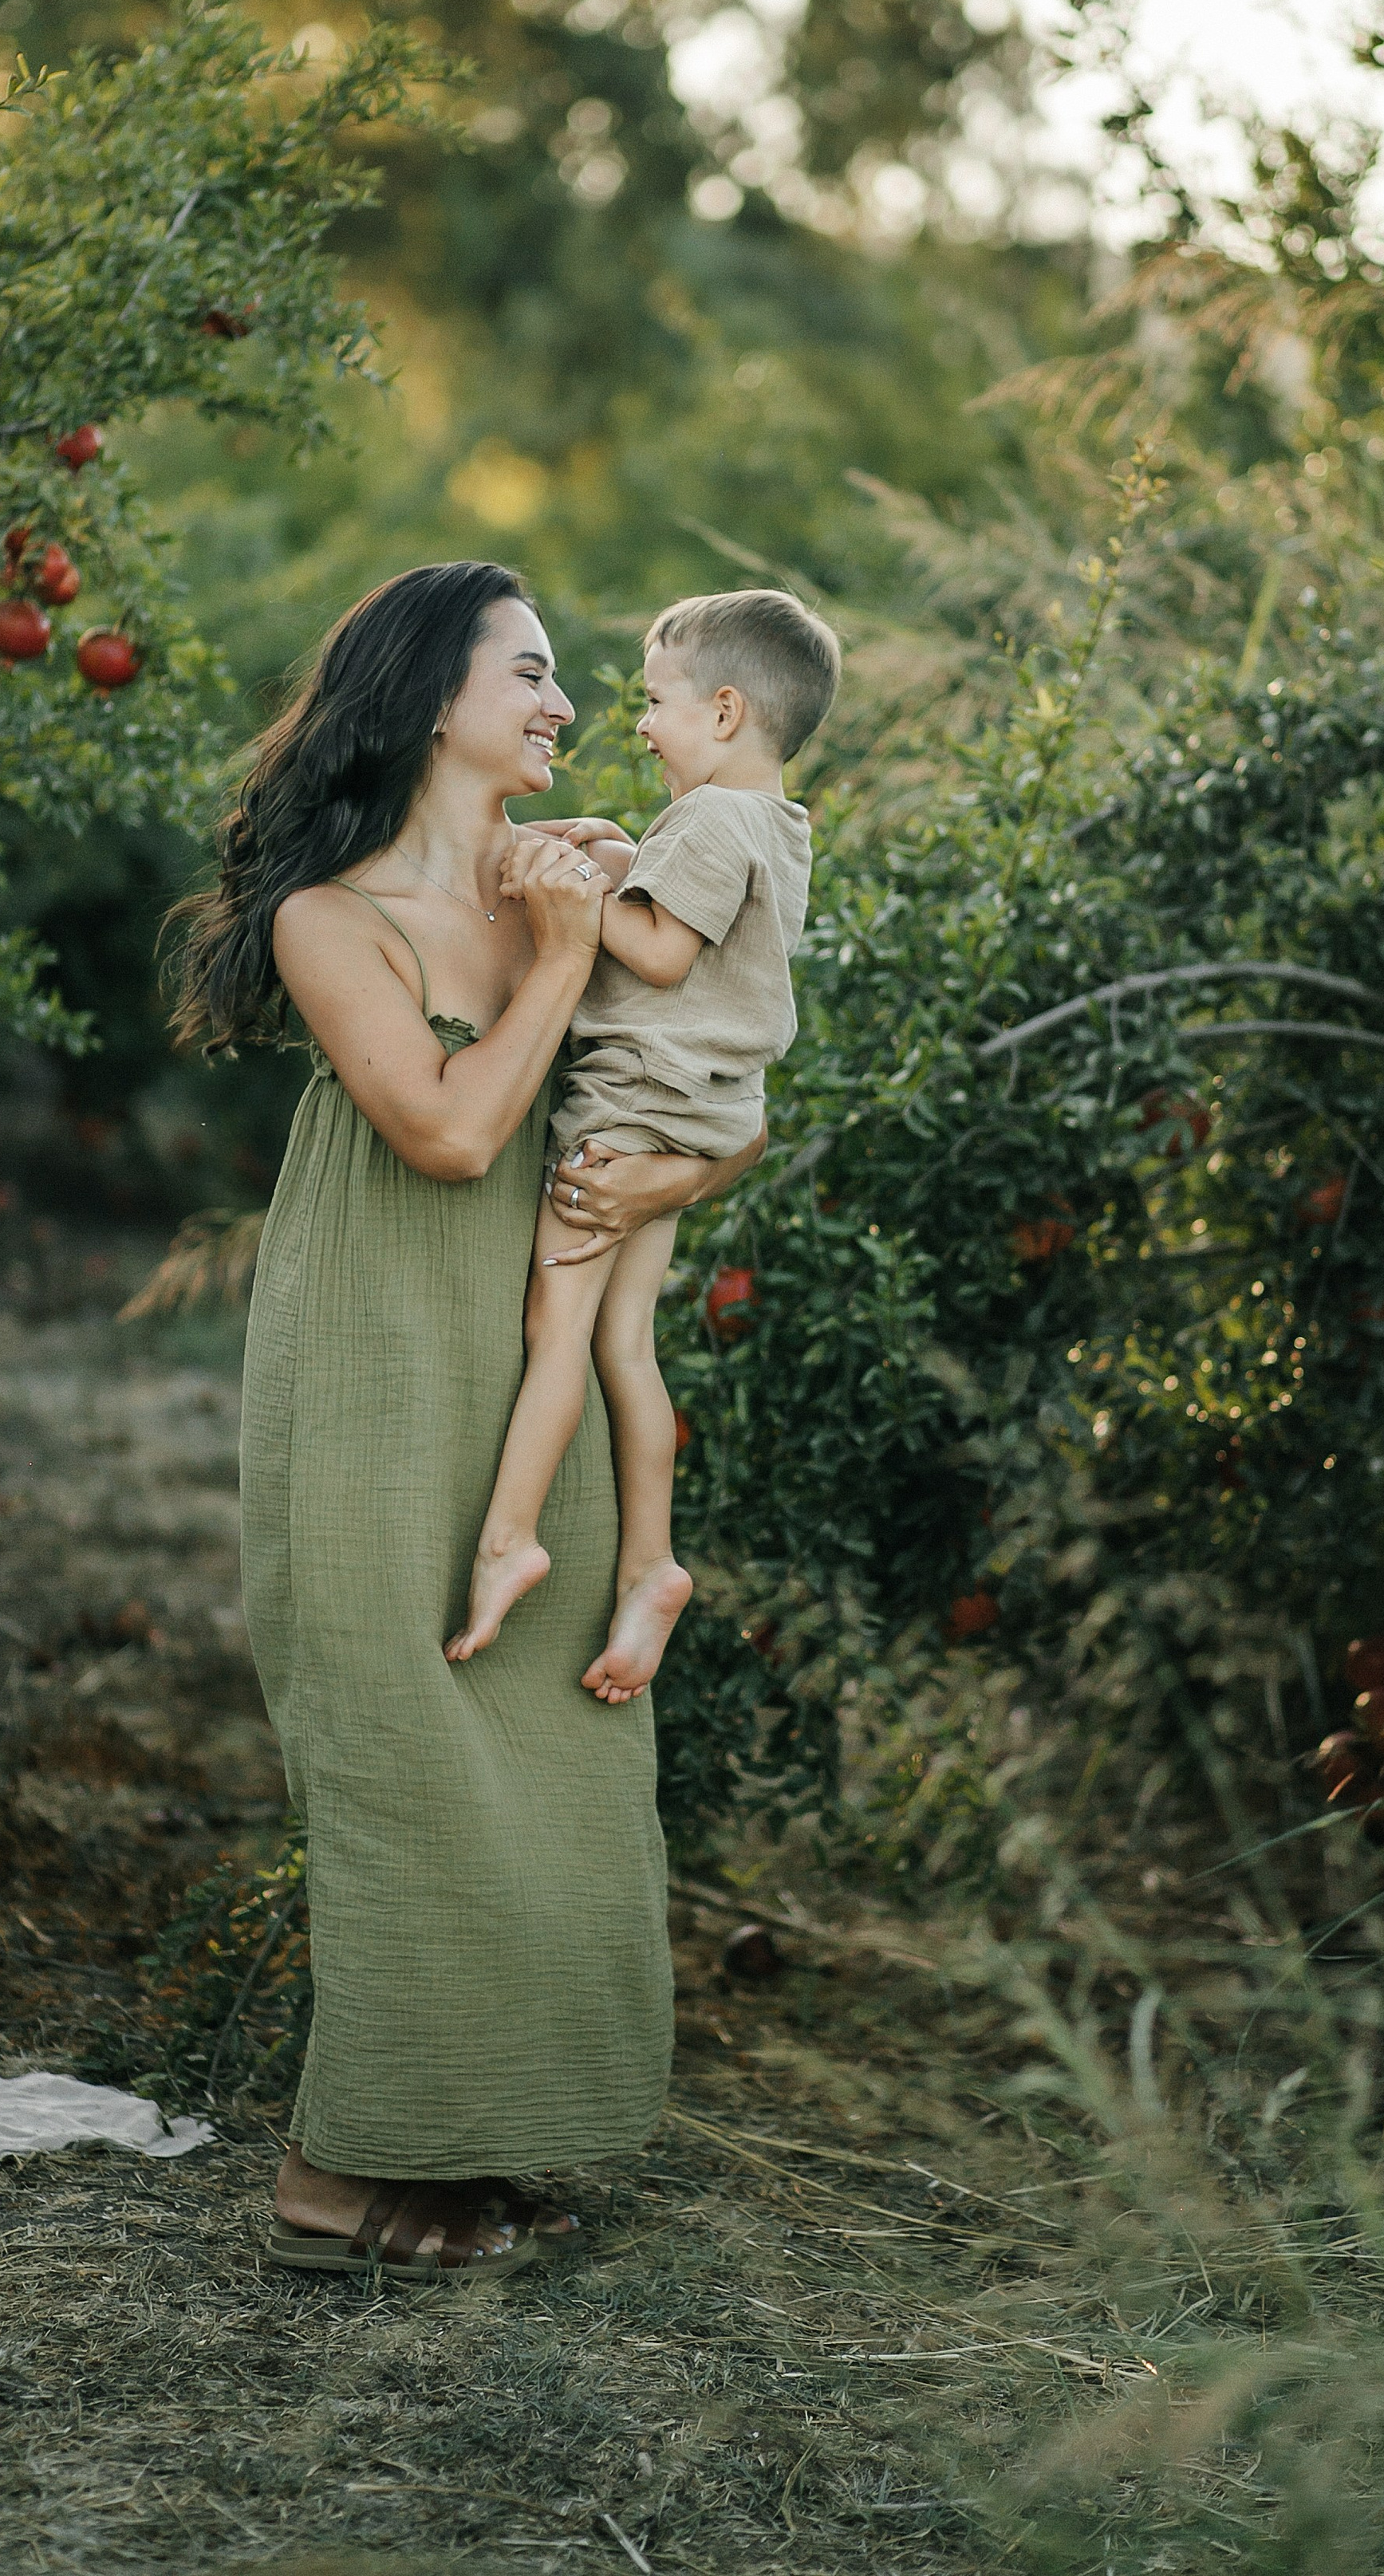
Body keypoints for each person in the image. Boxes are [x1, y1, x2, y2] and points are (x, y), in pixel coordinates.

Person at [172, 561, 765, 2283]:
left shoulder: (574, 892)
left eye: (567, 679)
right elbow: (442, 1131)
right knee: (398, 1749)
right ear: (435, 699)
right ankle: (326, 2174)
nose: (565, 705)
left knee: (545, 1748)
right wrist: (559, 956)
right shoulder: (331, 921)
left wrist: (676, 1143)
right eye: (530, 672)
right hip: (372, 1359)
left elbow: (714, 1090)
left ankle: (464, 2140)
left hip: (532, 1374)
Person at [445, 589, 840, 1701]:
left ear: (724, 711)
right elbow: (703, 938)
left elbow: (662, 956)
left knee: (556, 1327)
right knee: (628, 1344)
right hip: (698, 1111)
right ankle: (650, 1565)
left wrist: (563, 895)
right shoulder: (770, 822)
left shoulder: (712, 820)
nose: (642, 726)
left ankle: (509, 1539)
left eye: (656, 704)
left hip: (629, 1114)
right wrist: (620, 855)